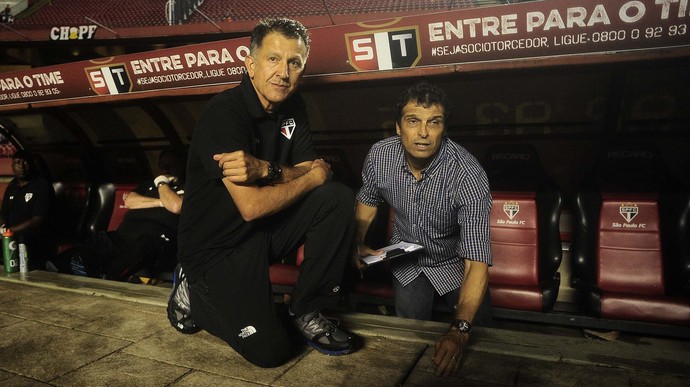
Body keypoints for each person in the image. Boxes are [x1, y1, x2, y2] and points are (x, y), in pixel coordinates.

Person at [167, 18, 357, 368]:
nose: (283, 72)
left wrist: (267, 170)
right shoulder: (224, 113)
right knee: (273, 352)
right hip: (215, 250)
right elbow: (253, 205)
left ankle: (306, 307)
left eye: (294, 62)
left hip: (261, 235)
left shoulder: (293, 109)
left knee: (338, 199)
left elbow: (307, 171)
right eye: (273, 59)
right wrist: (310, 177)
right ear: (250, 65)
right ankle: (192, 289)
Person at [352, 81, 493, 377]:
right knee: (409, 346)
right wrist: (358, 241)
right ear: (398, 127)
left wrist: (461, 330)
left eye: (434, 122)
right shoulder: (380, 156)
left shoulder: (468, 175)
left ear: (444, 129)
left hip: (453, 264)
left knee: (480, 348)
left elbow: (476, 261)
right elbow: (367, 200)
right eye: (413, 121)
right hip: (408, 262)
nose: (424, 133)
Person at [56, 148, 186, 281]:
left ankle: (105, 278)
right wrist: (162, 202)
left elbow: (175, 206)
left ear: (182, 165)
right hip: (123, 236)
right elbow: (130, 201)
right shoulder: (148, 185)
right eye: (162, 165)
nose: (165, 169)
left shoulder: (187, 186)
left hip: (156, 240)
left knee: (141, 249)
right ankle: (57, 266)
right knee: (96, 243)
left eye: (171, 165)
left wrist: (162, 183)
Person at [0, 150, 56, 270]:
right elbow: (3, 215)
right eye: (18, 162)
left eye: (25, 162)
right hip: (11, 232)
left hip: (34, 233)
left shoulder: (42, 185)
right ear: (12, 167)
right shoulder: (12, 186)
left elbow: (38, 220)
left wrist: (10, 231)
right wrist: (3, 228)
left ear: (32, 165)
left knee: (22, 238)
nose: (22, 166)